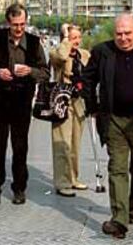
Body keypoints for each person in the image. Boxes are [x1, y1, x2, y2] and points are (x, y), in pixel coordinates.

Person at [82, 12, 133, 239]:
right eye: (118, 34)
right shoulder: (102, 52)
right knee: (117, 169)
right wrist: (92, 106)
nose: (123, 38)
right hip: (113, 120)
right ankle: (119, 220)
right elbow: (88, 78)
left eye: (127, 34)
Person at [0, 3, 49, 206]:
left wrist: (30, 72)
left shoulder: (34, 43)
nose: (19, 28)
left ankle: (19, 188)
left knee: (20, 145)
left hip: (22, 101)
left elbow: (45, 72)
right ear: (8, 22)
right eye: (15, 24)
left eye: (22, 24)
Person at [49, 24, 90, 197]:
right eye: (73, 38)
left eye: (78, 38)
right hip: (62, 100)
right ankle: (62, 182)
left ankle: (73, 177)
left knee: (75, 143)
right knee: (62, 143)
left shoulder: (85, 54)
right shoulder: (56, 53)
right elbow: (62, 55)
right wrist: (65, 38)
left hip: (79, 101)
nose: (77, 42)